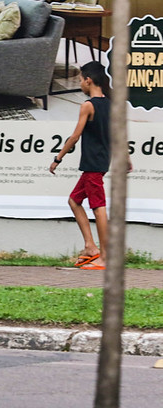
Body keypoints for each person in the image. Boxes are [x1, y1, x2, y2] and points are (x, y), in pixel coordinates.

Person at [48, 61, 130, 270]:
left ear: (88, 80)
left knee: (99, 208)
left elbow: (75, 137)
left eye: (80, 80)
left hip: (93, 166)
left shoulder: (88, 105)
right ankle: (90, 247)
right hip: (97, 165)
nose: (80, 84)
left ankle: (105, 257)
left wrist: (58, 158)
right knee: (74, 201)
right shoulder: (111, 105)